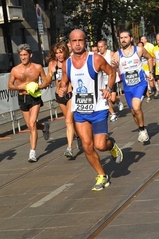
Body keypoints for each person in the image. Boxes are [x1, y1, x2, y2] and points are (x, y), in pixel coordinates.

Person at [58, 29, 123, 191]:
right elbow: (65, 81)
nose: (78, 44)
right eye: (74, 41)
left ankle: (111, 146)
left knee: (100, 145)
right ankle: (102, 175)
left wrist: (109, 88)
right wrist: (62, 88)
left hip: (98, 108)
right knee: (87, 146)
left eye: (80, 40)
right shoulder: (66, 64)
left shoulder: (96, 59)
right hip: (80, 110)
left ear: (85, 41)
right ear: (70, 43)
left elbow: (111, 73)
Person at [8, 43, 50, 162]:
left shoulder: (37, 67)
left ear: (30, 55)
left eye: (25, 55)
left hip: (34, 98)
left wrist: (38, 87)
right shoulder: (15, 70)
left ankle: (32, 153)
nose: (23, 57)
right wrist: (19, 87)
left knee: (32, 124)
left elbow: (46, 82)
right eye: (21, 55)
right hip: (22, 98)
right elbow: (10, 86)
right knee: (30, 125)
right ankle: (43, 126)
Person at [112, 29, 154, 142]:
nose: (123, 40)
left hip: (140, 84)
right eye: (121, 38)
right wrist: (114, 66)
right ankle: (141, 128)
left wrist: (150, 73)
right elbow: (114, 71)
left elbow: (150, 58)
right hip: (127, 87)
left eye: (126, 37)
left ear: (131, 39)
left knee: (136, 107)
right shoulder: (117, 55)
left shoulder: (139, 50)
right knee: (133, 112)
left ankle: (142, 130)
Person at [47, 41, 76, 158]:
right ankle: (78, 136)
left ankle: (69, 148)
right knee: (70, 121)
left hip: (70, 93)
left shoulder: (70, 62)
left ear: (65, 52)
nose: (59, 55)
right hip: (59, 96)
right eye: (56, 53)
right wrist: (51, 73)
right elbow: (48, 81)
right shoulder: (52, 63)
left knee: (68, 121)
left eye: (61, 52)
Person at [97, 39, 123, 122]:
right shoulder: (97, 56)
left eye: (101, 47)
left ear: (105, 46)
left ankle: (117, 100)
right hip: (103, 81)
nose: (100, 48)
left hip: (112, 79)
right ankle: (113, 114)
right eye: (99, 47)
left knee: (112, 99)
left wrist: (116, 66)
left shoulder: (110, 53)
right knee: (106, 98)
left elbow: (117, 63)